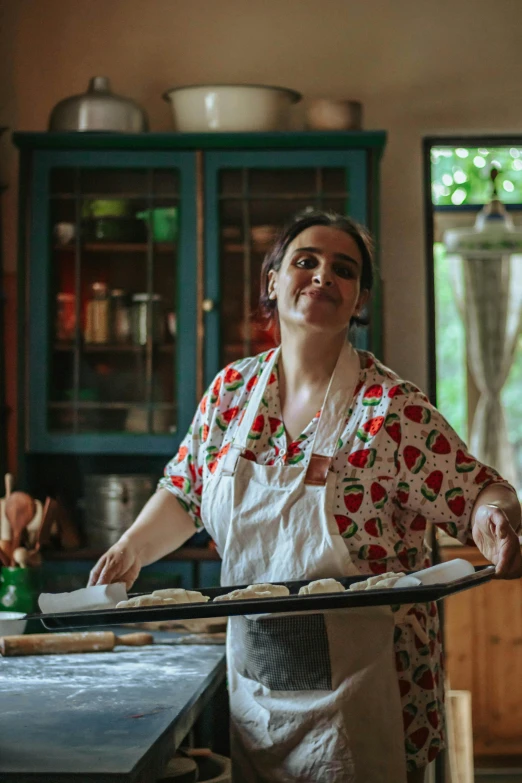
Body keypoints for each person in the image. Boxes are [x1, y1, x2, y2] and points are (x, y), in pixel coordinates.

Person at [89, 210, 522, 783]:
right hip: (259, 696)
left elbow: (478, 491)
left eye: (342, 270)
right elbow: (184, 492)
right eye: (305, 261)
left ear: (358, 298)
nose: (322, 276)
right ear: (273, 281)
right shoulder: (231, 394)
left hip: (371, 700)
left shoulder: (392, 409)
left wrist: (496, 517)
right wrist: (133, 548)